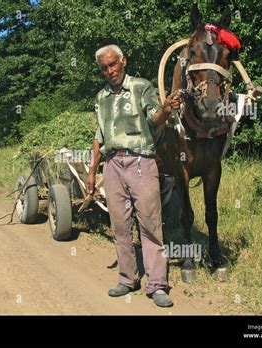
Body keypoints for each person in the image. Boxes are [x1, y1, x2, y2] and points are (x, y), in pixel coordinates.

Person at [87, 44, 180, 308]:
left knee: (150, 225)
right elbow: (99, 135)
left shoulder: (141, 87)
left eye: (112, 64)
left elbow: (155, 117)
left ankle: (157, 285)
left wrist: (166, 109)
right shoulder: (101, 97)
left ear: (123, 61)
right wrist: (93, 171)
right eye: (104, 68)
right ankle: (128, 279)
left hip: (141, 162)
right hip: (113, 164)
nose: (109, 71)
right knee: (120, 226)